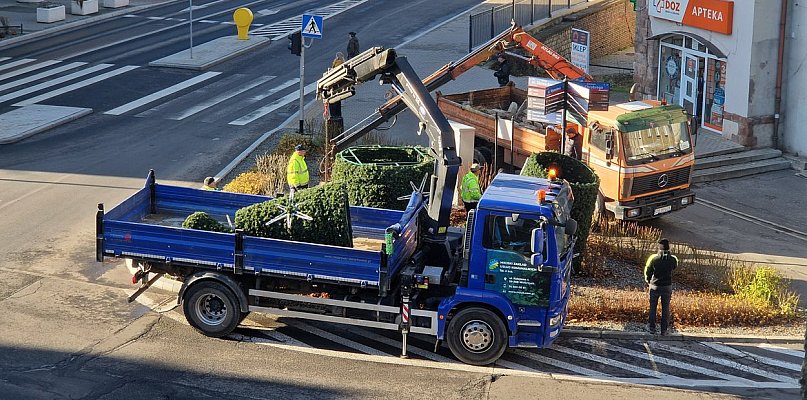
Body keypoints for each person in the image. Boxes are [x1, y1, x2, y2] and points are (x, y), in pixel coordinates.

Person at [644, 238, 678, 335]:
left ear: (660, 246)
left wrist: (648, 280)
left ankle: (652, 327)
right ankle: (664, 329)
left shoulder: (653, 258)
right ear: (669, 247)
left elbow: (648, 270)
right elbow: (675, 267)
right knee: (665, 308)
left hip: (655, 285)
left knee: (653, 307)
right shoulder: (673, 259)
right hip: (667, 286)